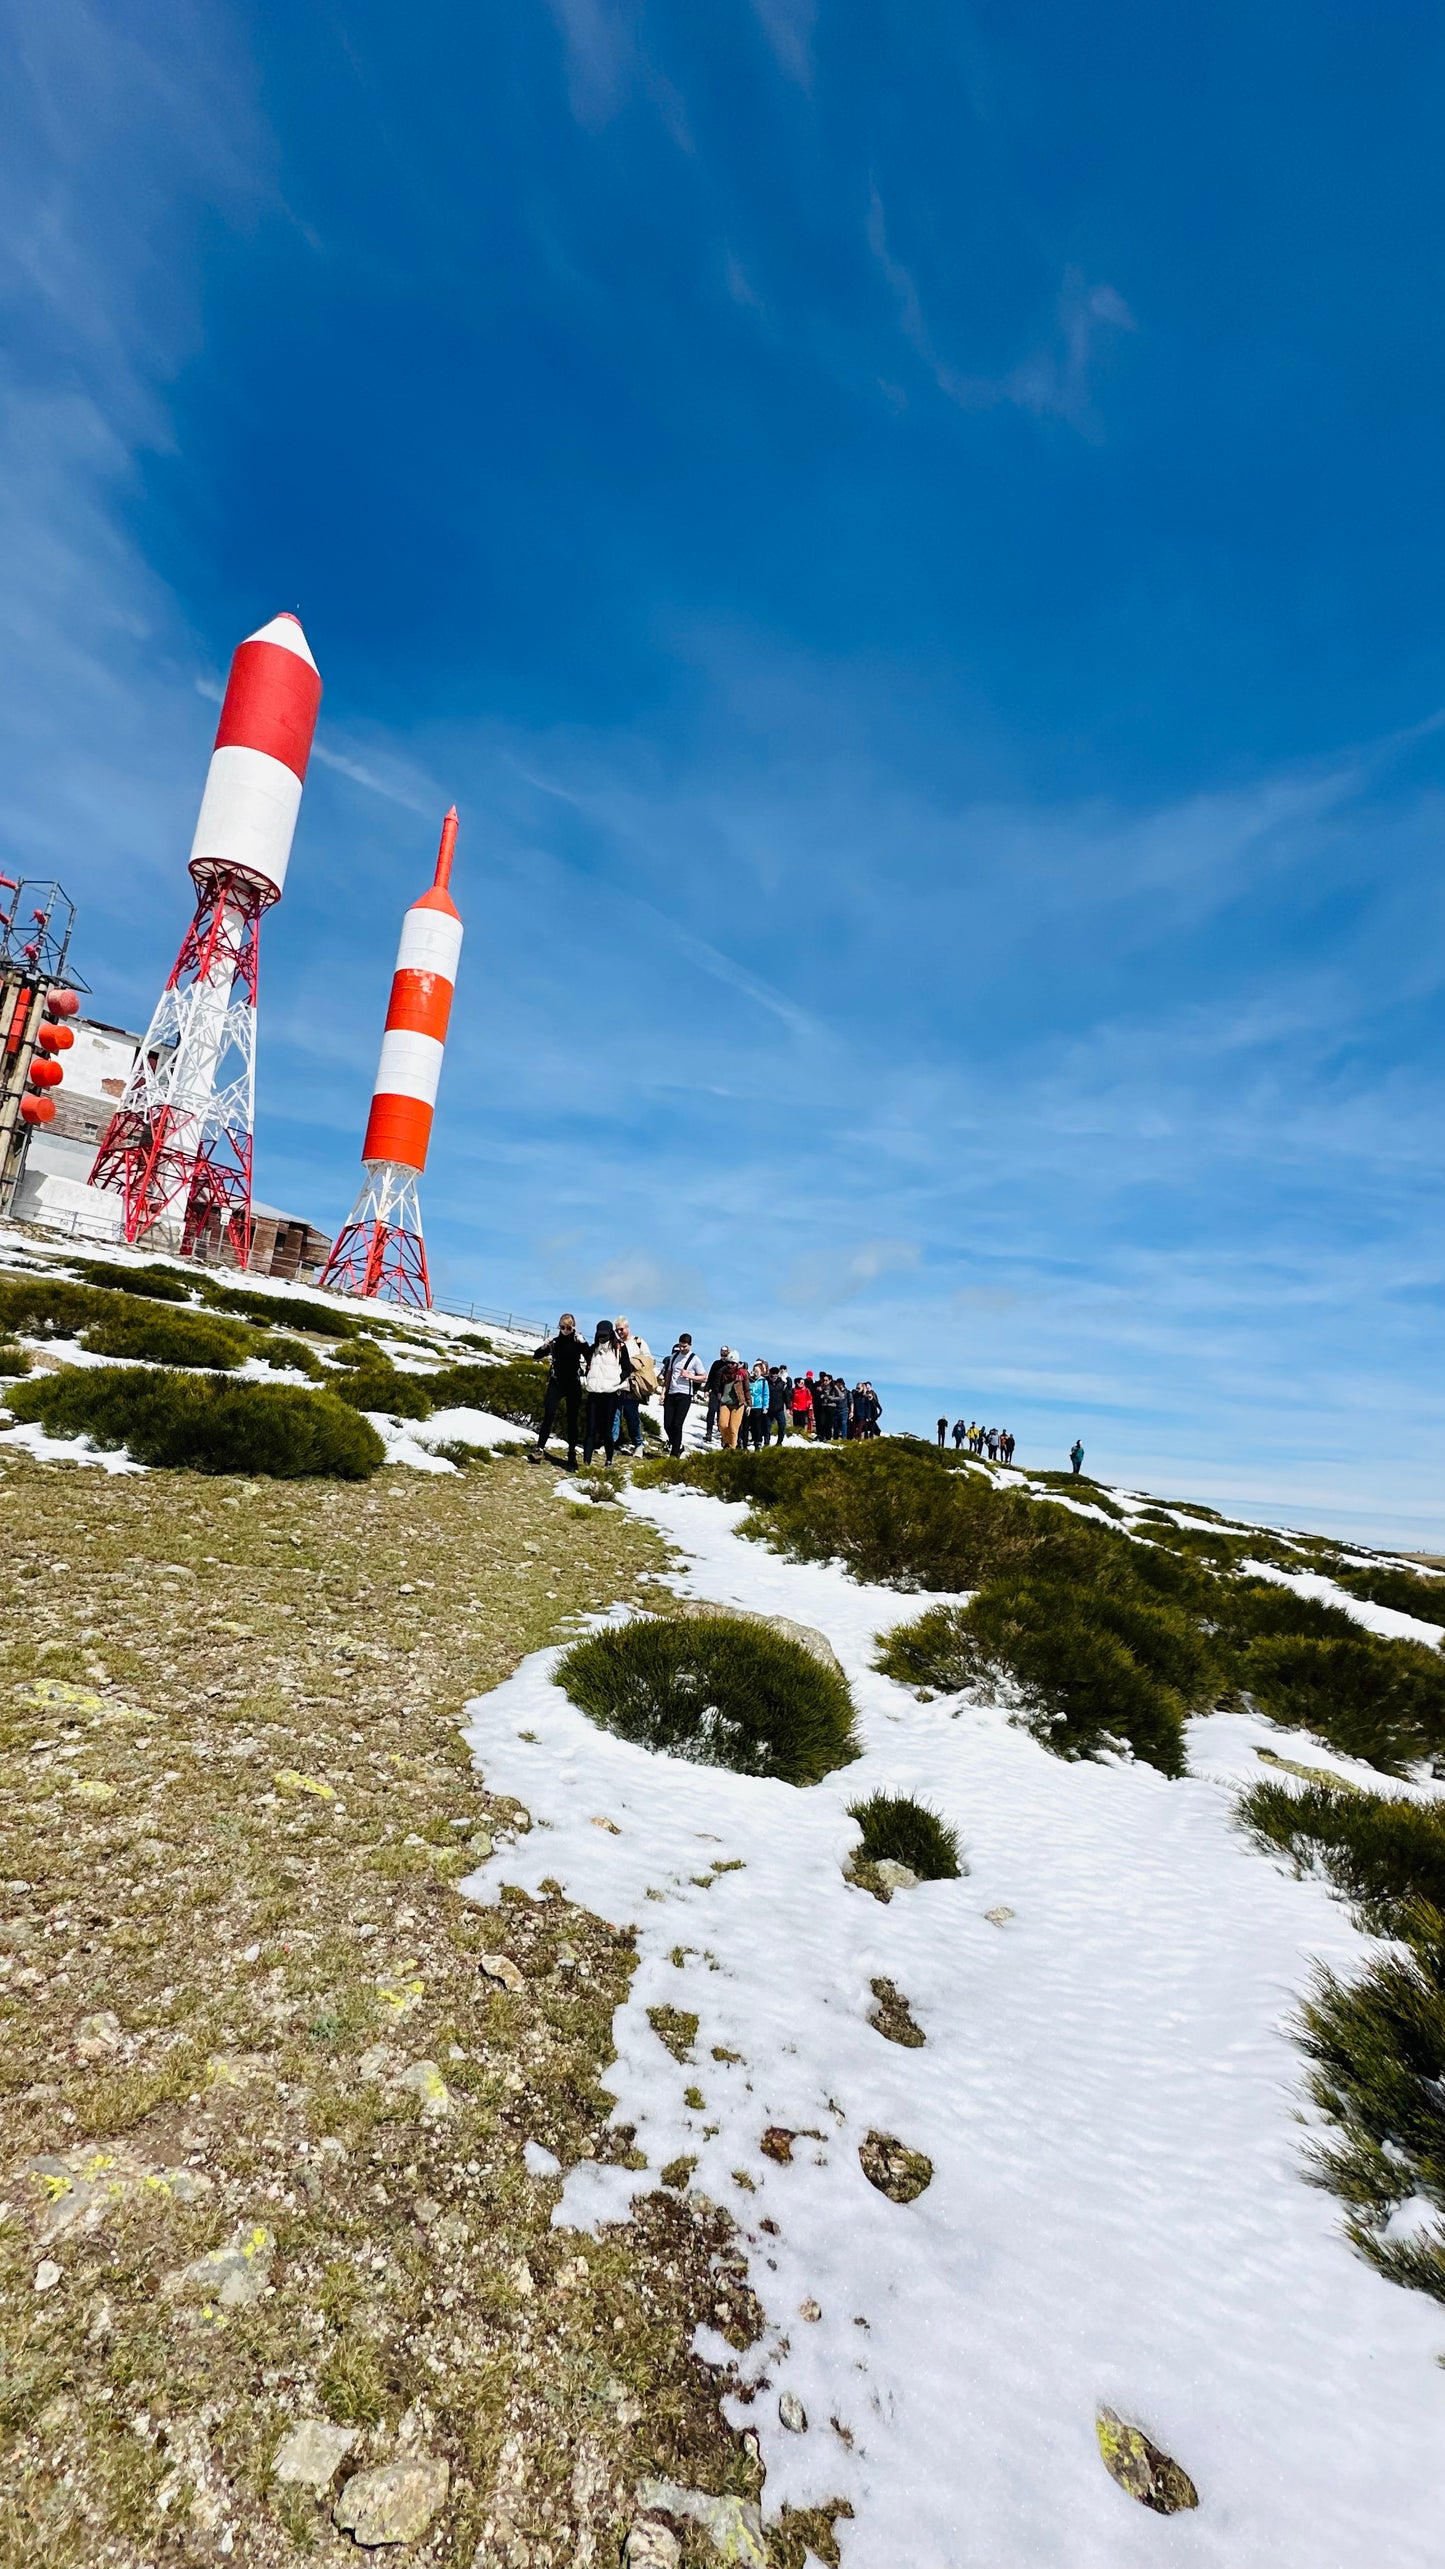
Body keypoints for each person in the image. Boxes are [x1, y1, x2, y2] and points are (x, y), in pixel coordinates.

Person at [531, 1312, 586, 1469]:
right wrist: (543, 1347)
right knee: (548, 1415)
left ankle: (571, 1454)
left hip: (573, 1385)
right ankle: (539, 1448)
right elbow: (536, 1356)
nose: (565, 1330)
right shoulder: (554, 1343)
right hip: (556, 1383)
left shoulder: (577, 1342)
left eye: (568, 1327)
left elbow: (589, 1356)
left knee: (572, 1420)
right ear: (559, 1327)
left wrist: (583, 1343)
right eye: (562, 1327)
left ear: (573, 1327)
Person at [581, 1320, 629, 1466]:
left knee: (606, 1430)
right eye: (600, 1334)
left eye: (605, 1334)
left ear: (610, 1333)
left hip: (610, 1394)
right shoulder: (593, 1348)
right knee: (590, 1429)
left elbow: (627, 1369)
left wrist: (616, 1380)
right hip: (593, 1393)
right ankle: (586, 1462)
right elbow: (585, 1357)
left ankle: (609, 1460)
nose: (602, 1337)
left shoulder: (620, 1348)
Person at [612, 1316, 655, 1457]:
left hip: (632, 1385)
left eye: (621, 1329)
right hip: (617, 1384)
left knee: (632, 1416)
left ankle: (638, 1444)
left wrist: (633, 1362)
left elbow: (648, 1361)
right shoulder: (615, 1343)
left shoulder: (638, 1342)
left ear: (627, 1327)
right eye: (617, 1330)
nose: (619, 1332)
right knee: (615, 1415)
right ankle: (611, 1443)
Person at [660, 1332, 706, 1457]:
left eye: (684, 1346)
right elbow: (669, 1374)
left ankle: (675, 1453)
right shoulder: (673, 1357)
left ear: (690, 1345)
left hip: (685, 1394)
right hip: (671, 1393)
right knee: (667, 1424)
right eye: (680, 1346)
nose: (682, 1349)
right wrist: (664, 1392)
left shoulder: (695, 1359)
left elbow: (703, 1377)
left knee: (677, 1424)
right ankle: (677, 1443)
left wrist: (690, 1376)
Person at [716, 1352, 748, 1450]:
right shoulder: (723, 1372)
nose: (731, 1365)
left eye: (733, 1363)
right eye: (729, 1363)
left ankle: (731, 1449)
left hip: (738, 1404)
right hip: (725, 1402)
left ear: (737, 1364)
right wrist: (718, 1395)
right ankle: (726, 1441)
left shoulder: (743, 1374)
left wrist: (749, 1404)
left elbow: (746, 1389)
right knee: (722, 1425)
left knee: (733, 1428)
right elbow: (718, 1385)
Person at [704, 1347, 733, 1445]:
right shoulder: (716, 1364)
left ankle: (723, 1435)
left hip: (726, 1394)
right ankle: (709, 1432)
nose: (723, 1357)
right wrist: (706, 1389)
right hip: (715, 1392)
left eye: (725, 1355)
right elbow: (711, 1377)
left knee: (722, 1415)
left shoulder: (731, 1366)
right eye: (722, 1355)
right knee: (711, 1410)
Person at [746, 1361, 770, 1450]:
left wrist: (765, 1407)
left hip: (759, 1407)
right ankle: (747, 1440)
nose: (756, 1373)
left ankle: (758, 1442)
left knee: (757, 1426)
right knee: (749, 1425)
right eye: (754, 1371)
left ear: (761, 1372)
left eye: (757, 1371)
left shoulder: (764, 1382)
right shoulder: (749, 1380)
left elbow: (766, 1394)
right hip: (749, 1406)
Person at [768, 1364, 791, 1446]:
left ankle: (779, 1442)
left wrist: (788, 1407)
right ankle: (766, 1443)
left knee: (782, 1425)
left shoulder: (782, 1384)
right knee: (767, 1427)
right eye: (771, 1376)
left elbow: (786, 1396)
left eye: (774, 1376)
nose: (773, 1378)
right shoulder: (766, 1382)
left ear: (777, 1375)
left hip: (779, 1409)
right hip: (768, 1409)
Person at [791, 1372, 814, 1437]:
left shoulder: (806, 1390)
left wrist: (808, 1405)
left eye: (803, 1383)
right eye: (801, 1383)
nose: (803, 1384)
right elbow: (791, 1400)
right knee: (795, 1423)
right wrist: (792, 1408)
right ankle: (795, 1435)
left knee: (802, 1423)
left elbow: (810, 1398)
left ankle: (801, 1435)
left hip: (803, 1409)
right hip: (796, 1409)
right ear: (797, 1383)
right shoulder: (794, 1390)